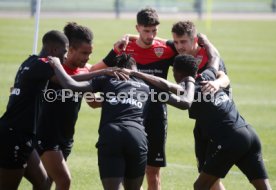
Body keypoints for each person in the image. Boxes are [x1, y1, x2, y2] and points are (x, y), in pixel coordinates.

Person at [123, 54, 272, 190]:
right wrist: (206, 42)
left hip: (231, 139)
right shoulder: (207, 76)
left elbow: (171, 91)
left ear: (176, 73)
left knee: (200, 186)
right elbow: (214, 59)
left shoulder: (188, 90)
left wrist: (138, 75)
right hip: (249, 133)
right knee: (263, 187)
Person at [113, 19, 230, 190]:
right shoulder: (176, 51)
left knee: (209, 178)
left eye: (183, 42)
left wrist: (218, 83)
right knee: (209, 177)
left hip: (220, 122)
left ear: (195, 39)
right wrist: (128, 36)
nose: (179, 47)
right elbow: (152, 39)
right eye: (176, 42)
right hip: (203, 123)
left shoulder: (208, 60)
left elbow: (222, 77)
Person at [47, 53, 169, 190]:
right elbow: (180, 95)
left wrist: (57, 65)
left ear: (115, 69)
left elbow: (70, 84)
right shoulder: (146, 85)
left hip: (111, 134)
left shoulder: (107, 78)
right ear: (135, 70)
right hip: (137, 136)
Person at [90, 7, 177, 190]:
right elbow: (94, 71)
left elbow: (184, 47)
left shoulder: (166, 50)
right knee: (123, 174)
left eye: (154, 31)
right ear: (138, 28)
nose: (151, 35)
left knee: (153, 174)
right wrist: (95, 98)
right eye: (146, 30)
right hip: (127, 115)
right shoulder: (124, 49)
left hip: (156, 116)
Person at [0, 30, 69, 190]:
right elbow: (69, 82)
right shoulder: (43, 64)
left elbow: (63, 79)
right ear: (53, 50)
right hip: (15, 136)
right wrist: (103, 75)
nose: (65, 57)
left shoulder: (31, 61)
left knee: (43, 183)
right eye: (64, 52)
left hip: (22, 135)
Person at [35, 22, 93, 190]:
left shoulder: (85, 71)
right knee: (64, 180)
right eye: (84, 53)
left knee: (46, 181)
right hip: (46, 135)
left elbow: (93, 101)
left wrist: (119, 101)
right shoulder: (52, 69)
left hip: (66, 137)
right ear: (70, 50)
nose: (87, 58)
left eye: (90, 53)